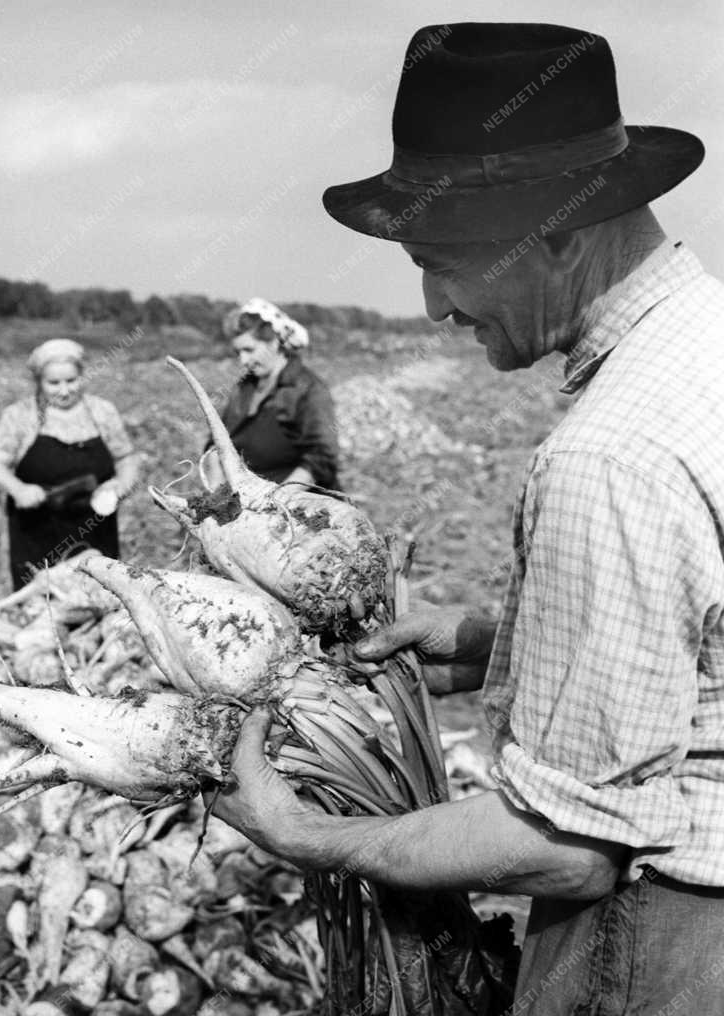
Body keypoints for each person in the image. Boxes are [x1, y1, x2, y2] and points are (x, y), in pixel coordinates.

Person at [212, 23, 724, 1013]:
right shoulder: (705, 346)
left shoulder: (606, 454)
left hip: (663, 942)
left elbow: (566, 847)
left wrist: (302, 832)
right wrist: (502, 642)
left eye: (440, 258)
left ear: (561, 231)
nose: (434, 303)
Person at [0, 338, 140, 589]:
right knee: (41, 606)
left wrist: (120, 487)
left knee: (99, 598)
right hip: (36, 531)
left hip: (95, 530)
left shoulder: (102, 412)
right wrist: (18, 489)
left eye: (72, 380)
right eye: (54, 383)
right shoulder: (20, 415)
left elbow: (126, 458)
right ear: (38, 382)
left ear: (82, 376)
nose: (64, 390)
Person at [208, 297, 339, 489]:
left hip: (300, 502)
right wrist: (216, 488)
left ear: (276, 342)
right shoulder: (245, 387)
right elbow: (217, 442)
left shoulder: (307, 390)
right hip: (248, 499)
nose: (243, 360)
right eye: (238, 353)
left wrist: (278, 500)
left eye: (249, 350)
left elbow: (321, 457)